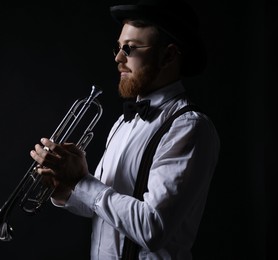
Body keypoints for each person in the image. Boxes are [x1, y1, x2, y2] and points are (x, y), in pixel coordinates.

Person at [30, 0, 220, 259]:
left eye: (130, 48)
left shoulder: (189, 127)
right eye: (118, 48)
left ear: (168, 55)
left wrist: (81, 181)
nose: (119, 58)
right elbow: (99, 206)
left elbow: (153, 228)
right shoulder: (123, 123)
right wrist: (62, 186)